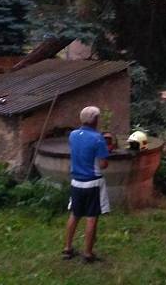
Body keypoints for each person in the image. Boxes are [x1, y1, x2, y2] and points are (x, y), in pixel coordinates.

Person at [63, 106, 110, 263]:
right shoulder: (98, 139)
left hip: (76, 181)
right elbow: (103, 164)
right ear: (96, 120)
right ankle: (88, 254)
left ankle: (67, 249)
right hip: (93, 183)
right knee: (91, 218)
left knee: (75, 215)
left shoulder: (73, 135)